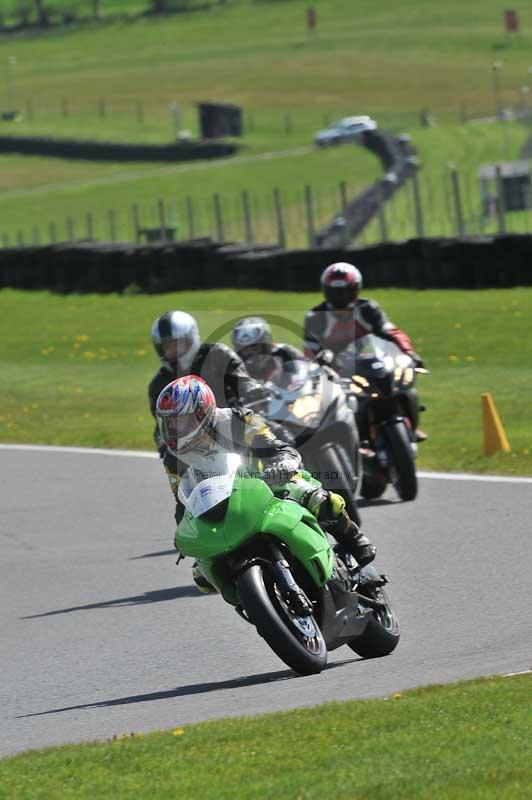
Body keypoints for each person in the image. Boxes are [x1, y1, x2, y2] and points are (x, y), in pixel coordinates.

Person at [155, 375, 376, 591]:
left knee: (317, 498)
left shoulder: (238, 419)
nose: (175, 430)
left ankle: (354, 540)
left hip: (268, 483)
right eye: (169, 423)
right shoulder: (172, 457)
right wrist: (186, 532)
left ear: (202, 411)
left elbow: (276, 447)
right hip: (221, 505)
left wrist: (284, 463)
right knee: (202, 575)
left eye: (181, 421)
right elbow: (182, 500)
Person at [303, 262, 427, 440]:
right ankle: (351, 441)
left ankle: (411, 428)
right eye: (336, 292)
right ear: (327, 292)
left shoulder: (368, 309)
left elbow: (390, 332)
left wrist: (409, 353)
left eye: (346, 291)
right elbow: (310, 353)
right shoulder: (316, 317)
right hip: (337, 371)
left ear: (356, 289)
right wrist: (320, 372)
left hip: (370, 362)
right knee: (335, 407)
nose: (341, 297)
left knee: (405, 387)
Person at [148, 310, 267, 451]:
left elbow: (243, 381)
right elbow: (161, 424)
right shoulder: (160, 384)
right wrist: (163, 442)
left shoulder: (217, 354)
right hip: (194, 446)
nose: (173, 351)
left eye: (177, 344)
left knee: (277, 435)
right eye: (168, 347)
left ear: (191, 338)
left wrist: (252, 390)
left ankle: (293, 469)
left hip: (235, 427)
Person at [231, 316, 305, 383]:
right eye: (246, 351)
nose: (251, 355)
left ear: (267, 346)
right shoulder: (233, 371)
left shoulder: (287, 353)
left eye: (255, 349)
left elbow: (308, 369)